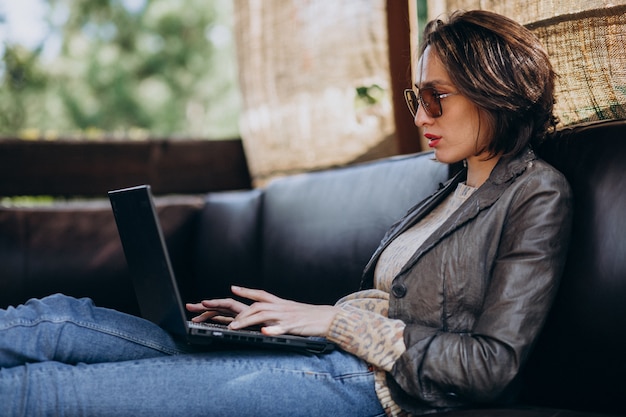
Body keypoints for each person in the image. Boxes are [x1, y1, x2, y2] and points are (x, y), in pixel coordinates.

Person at [0, 9, 572, 417]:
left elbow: (492, 366)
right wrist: (286, 321)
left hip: (372, 386)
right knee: (57, 319)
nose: (422, 114)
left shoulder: (537, 194)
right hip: (326, 353)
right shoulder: (450, 185)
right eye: (414, 98)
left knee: (49, 393)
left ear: (493, 87)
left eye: (435, 96)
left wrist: (329, 321)